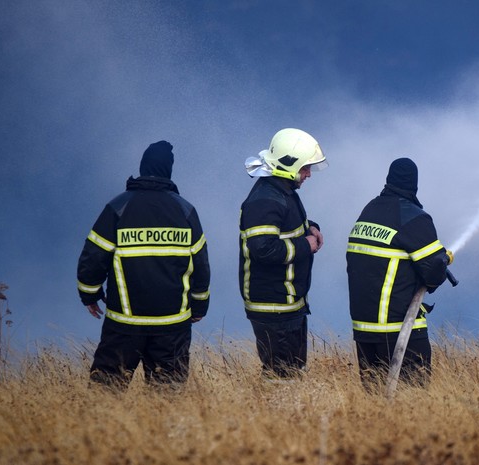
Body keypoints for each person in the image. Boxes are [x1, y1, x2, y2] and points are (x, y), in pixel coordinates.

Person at [77, 141, 210, 388]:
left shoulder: (118, 207)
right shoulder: (186, 211)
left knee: (105, 393)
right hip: (173, 325)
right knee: (167, 398)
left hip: (124, 323)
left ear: (142, 167)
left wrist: (89, 294)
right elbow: (200, 264)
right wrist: (199, 305)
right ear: (169, 171)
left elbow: (93, 256)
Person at [346, 157, 453, 389]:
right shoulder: (414, 217)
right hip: (400, 329)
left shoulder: (369, 210)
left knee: (374, 404)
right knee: (411, 405)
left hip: (365, 331)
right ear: (414, 184)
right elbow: (433, 272)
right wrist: (444, 260)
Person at [239, 128, 327, 380]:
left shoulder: (282, 191)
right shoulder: (266, 200)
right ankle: (272, 419)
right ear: (289, 164)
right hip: (273, 307)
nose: (309, 174)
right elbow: (263, 249)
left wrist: (311, 227)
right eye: (305, 168)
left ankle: (287, 418)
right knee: (281, 377)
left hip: (287, 305)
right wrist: (305, 245)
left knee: (293, 374)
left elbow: (287, 225)